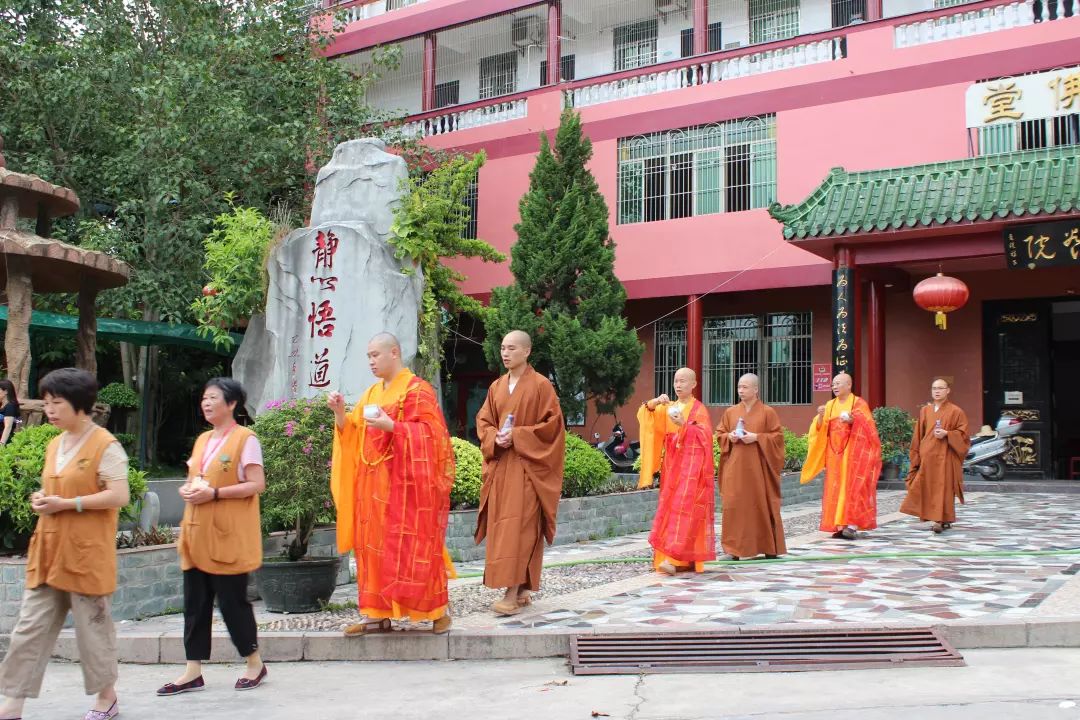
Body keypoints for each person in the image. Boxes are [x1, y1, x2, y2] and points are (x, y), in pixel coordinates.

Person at [0, 368, 130, 720]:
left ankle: (106, 699)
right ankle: (12, 704)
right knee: (29, 628)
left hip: (86, 555)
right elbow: (58, 488)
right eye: (46, 403)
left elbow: (119, 494)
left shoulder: (106, 445)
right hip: (48, 552)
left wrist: (68, 504)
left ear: (80, 405)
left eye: (56, 403)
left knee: (93, 631)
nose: (49, 410)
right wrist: (43, 498)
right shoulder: (55, 443)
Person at [329, 333, 456, 635]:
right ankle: (376, 613)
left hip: (408, 487)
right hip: (373, 489)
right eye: (368, 356)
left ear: (394, 353)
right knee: (372, 549)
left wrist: (394, 428)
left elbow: (433, 436)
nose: (371, 361)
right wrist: (338, 414)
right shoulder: (371, 394)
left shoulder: (417, 391)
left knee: (416, 546)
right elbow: (354, 433)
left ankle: (436, 611)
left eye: (375, 355)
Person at [157, 378, 268, 696]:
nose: (206, 403)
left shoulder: (245, 439)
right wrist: (188, 489)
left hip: (228, 536)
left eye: (213, 398)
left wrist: (216, 493)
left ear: (231, 404)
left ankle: (254, 662)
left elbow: (256, 484)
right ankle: (192, 670)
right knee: (195, 603)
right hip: (196, 534)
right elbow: (196, 478)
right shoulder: (203, 440)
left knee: (233, 603)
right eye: (204, 397)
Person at [475, 330, 565, 616]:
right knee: (504, 527)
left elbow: (553, 428)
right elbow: (484, 421)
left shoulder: (541, 386)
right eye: (502, 348)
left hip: (528, 468)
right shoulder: (496, 386)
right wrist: (494, 438)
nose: (505, 353)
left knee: (521, 528)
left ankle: (512, 592)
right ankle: (524, 588)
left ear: (527, 352)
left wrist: (518, 436)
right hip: (502, 467)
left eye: (511, 348)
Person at [637, 367, 715, 575]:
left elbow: (705, 437)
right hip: (672, 467)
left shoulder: (698, 409)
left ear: (694, 384)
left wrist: (685, 426)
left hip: (691, 469)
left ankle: (673, 559)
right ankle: (670, 557)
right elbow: (647, 415)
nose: (678, 385)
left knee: (684, 510)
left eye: (683, 381)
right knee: (669, 508)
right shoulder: (669, 407)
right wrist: (655, 401)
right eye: (676, 381)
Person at [800, 373, 882, 540]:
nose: (834, 387)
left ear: (849, 385)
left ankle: (851, 525)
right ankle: (839, 524)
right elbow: (819, 428)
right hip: (835, 455)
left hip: (854, 455)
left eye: (838, 384)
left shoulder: (858, 403)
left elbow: (868, 427)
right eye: (833, 385)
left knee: (853, 487)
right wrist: (821, 416)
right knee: (836, 488)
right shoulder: (829, 405)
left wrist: (853, 421)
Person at [715, 374, 786, 561]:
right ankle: (733, 550)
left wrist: (757, 437)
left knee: (761, 505)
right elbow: (720, 434)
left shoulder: (767, 412)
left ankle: (769, 547)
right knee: (733, 505)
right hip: (735, 468)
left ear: (756, 389)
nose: (741, 390)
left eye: (745, 387)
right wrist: (729, 437)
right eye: (739, 387)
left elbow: (778, 437)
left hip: (758, 469)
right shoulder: (730, 412)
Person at [901, 378, 970, 534]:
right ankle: (932, 517)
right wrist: (916, 454)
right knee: (927, 487)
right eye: (934, 388)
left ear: (948, 391)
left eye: (940, 388)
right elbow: (918, 435)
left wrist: (948, 434)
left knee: (943, 488)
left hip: (945, 457)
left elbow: (963, 435)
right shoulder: (925, 410)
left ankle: (941, 520)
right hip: (928, 457)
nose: (937, 391)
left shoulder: (956, 411)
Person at [0, 379, 19, 446]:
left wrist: (1, 444)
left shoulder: (10, 406)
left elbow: (8, 427)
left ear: (6, 391)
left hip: (3, 440)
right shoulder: (2, 404)